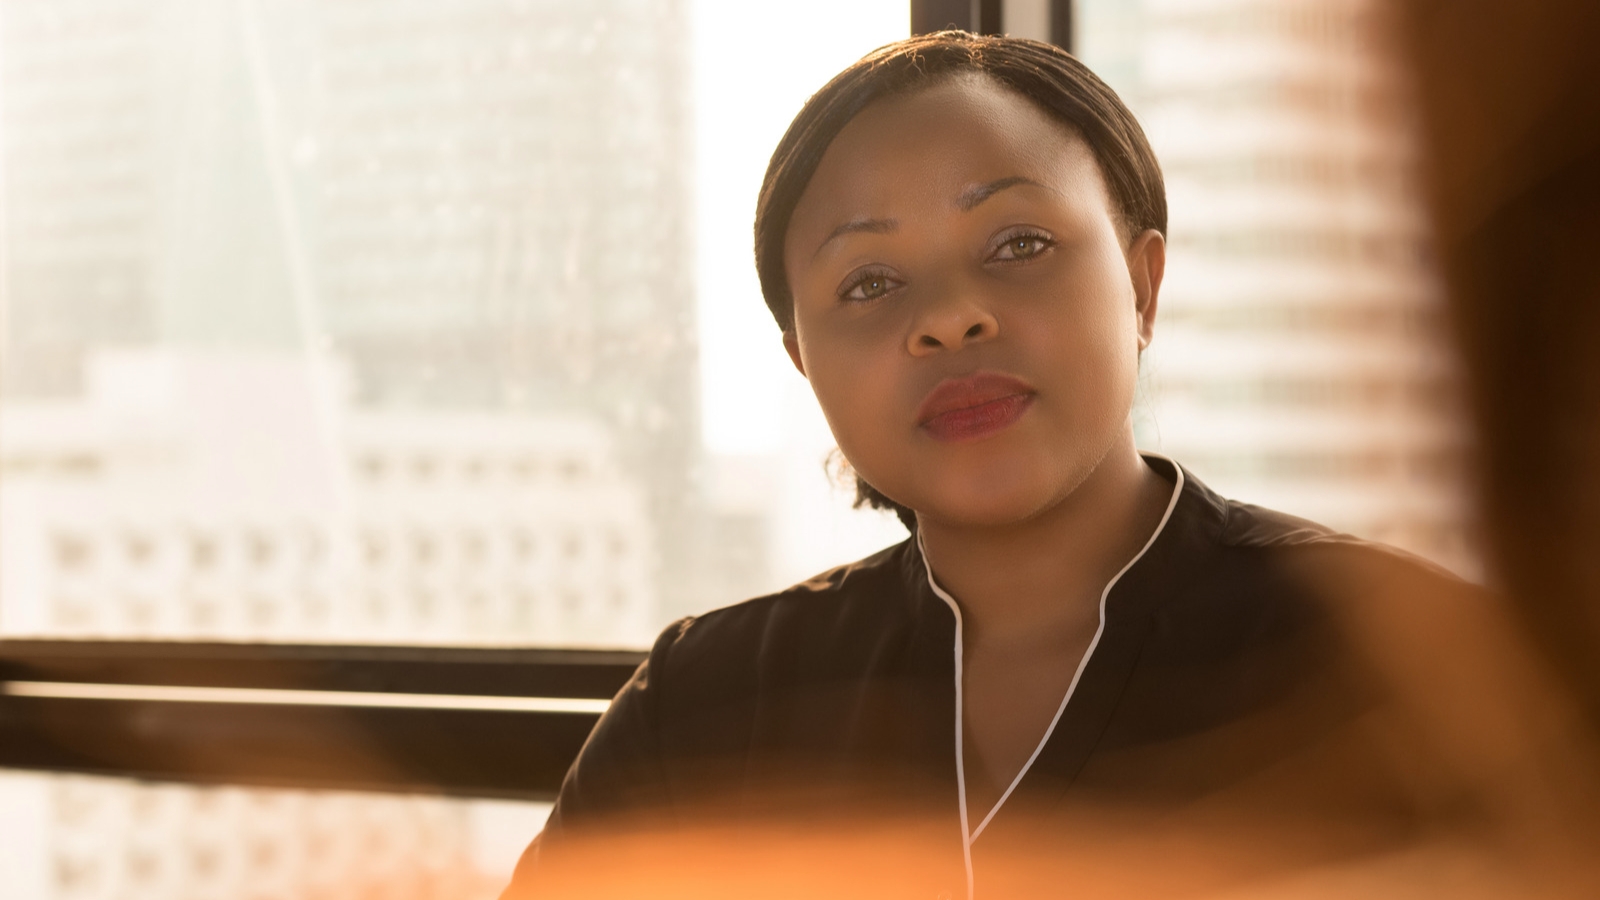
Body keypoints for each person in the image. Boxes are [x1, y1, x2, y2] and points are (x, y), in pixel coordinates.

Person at [503, 31, 1471, 899]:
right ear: (804, 362)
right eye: (869, 283)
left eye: (1018, 243)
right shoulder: (703, 707)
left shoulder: (1409, 663)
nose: (949, 317)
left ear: (1141, 287)